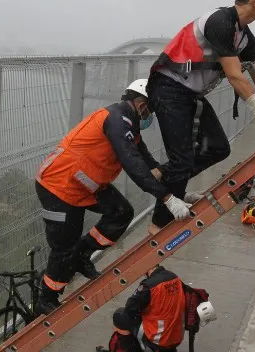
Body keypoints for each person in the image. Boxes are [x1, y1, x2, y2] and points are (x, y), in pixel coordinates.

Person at [146, 0, 255, 231]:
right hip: (168, 88)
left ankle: (168, 178)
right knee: (182, 160)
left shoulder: (245, 37)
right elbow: (234, 75)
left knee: (218, 148)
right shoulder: (220, 22)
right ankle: (157, 225)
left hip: (189, 95)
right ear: (254, 0)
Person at [34, 79, 194, 315]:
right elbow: (135, 166)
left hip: (86, 184)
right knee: (63, 249)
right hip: (59, 185)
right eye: (150, 109)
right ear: (141, 105)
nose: (151, 115)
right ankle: (46, 299)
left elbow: (150, 167)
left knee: (120, 213)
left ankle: (82, 254)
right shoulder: (117, 120)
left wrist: (179, 192)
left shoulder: (130, 127)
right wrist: (169, 199)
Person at [107, 265, 216, 352]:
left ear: (147, 269)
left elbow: (130, 308)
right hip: (176, 336)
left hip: (159, 340)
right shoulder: (174, 277)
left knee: (120, 315)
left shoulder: (148, 285)